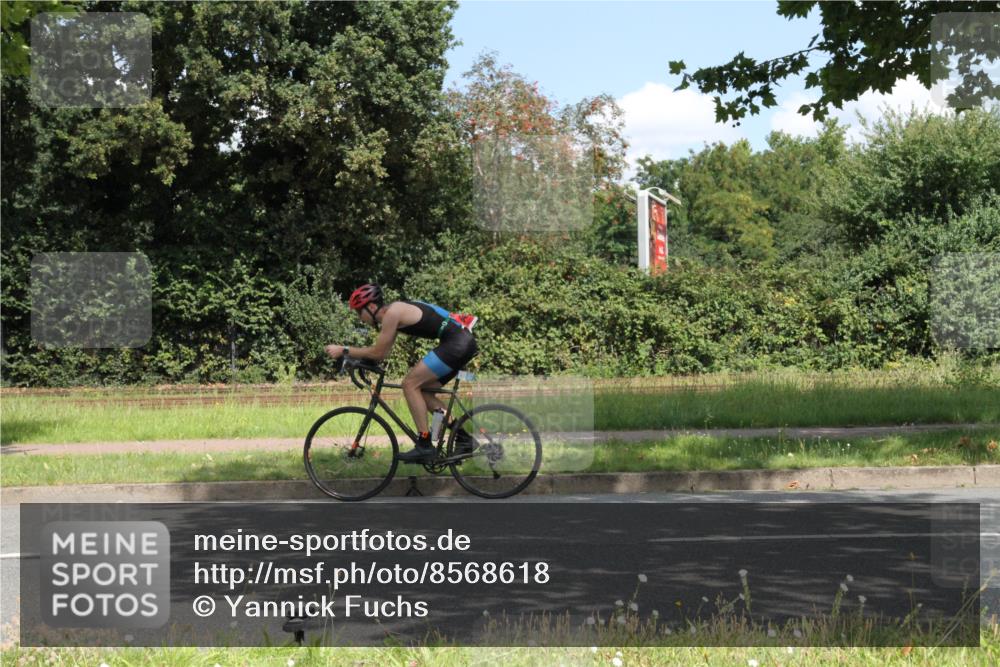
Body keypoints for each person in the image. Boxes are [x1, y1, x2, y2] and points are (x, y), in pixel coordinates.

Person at [325, 284, 478, 463]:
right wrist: (361, 362)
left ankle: (424, 444)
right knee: (424, 392)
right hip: (460, 342)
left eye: (360, 312)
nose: (360, 318)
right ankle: (464, 439)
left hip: (456, 343)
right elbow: (382, 353)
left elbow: (377, 353)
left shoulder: (392, 313)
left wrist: (344, 350)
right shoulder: (394, 313)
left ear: (372, 307)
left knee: (410, 384)